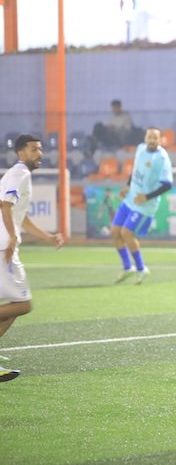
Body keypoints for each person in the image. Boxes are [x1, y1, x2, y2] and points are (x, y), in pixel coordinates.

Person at [0, 134, 65, 382]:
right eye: (34, 149)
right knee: (23, 304)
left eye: (40, 149)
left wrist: (48, 237)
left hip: (4, 244)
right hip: (4, 248)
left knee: (13, 308)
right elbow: (5, 205)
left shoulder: (17, 174)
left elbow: (21, 217)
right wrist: (12, 238)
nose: (39, 153)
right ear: (21, 153)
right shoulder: (20, 173)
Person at [111, 127, 173, 284]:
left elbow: (168, 184)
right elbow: (135, 170)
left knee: (126, 233)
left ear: (160, 140)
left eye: (155, 138)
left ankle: (141, 268)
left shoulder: (162, 158)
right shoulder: (140, 149)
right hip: (130, 198)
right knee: (115, 232)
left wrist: (147, 197)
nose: (152, 140)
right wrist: (127, 186)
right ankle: (127, 267)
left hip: (144, 205)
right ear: (145, 138)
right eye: (149, 137)